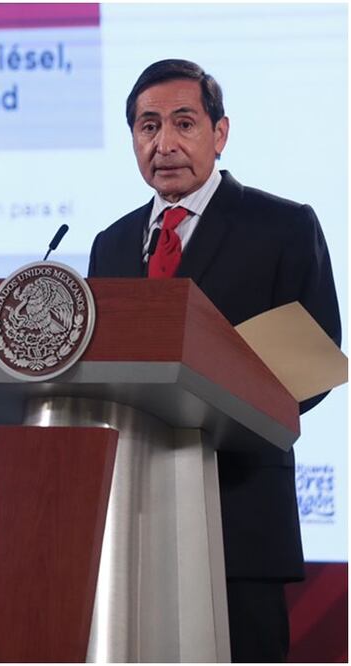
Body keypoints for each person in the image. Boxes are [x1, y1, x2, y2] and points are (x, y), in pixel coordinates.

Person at [88, 59, 341, 662]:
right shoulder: (112, 243)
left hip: (240, 506)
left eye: (183, 123)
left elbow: (316, 356)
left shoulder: (282, 225)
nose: (164, 143)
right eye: (148, 127)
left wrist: (222, 411)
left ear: (219, 133)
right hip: (133, 514)